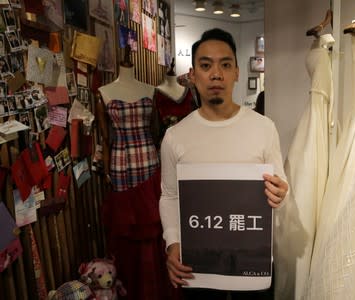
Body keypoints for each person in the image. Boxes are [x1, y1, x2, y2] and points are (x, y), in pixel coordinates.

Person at [159, 28, 289, 300]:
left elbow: (281, 186)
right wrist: (172, 243)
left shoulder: (264, 128)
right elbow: (170, 195)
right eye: (206, 65)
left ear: (237, 72)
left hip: (252, 263)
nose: (216, 74)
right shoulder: (175, 137)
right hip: (199, 266)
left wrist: (281, 192)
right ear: (192, 75)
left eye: (225, 65)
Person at [97, 54, 179, 300]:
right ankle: (132, 288)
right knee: (128, 233)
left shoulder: (150, 89)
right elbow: (105, 136)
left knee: (154, 227)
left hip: (149, 163)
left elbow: (155, 129)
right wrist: (106, 169)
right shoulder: (104, 91)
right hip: (120, 166)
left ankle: (157, 285)